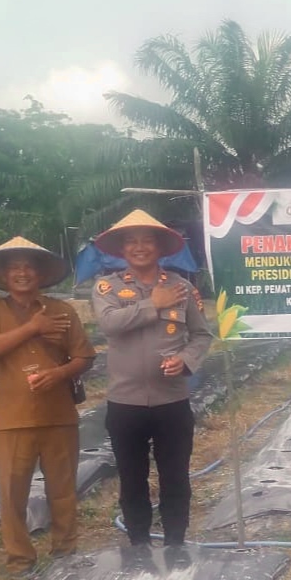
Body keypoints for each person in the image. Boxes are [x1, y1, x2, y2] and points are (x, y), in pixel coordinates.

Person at [0, 237, 96, 574]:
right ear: (3, 276)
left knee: (62, 487)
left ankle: (65, 549)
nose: (23, 273)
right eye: (15, 268)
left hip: (59, 414)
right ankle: (19, 557)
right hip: (13, 417)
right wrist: (33, 328)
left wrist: (60, 374)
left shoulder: (62, 310)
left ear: (41, 275)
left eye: (29, 267)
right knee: (13, 493)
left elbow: (85, 356)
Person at [91, 210, 212, 548]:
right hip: (125, 403)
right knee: (132, 478)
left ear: (160, 248)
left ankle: (175, 541)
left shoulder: (182, 287)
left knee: (175, 476)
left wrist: (185, 362)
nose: (140, 247)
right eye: (132, 242)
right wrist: (153, 304)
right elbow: (110, 324)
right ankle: (138, 543)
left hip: (171, 402)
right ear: (121, 249)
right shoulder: (107, 288)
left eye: (147, 241)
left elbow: (202, 335)